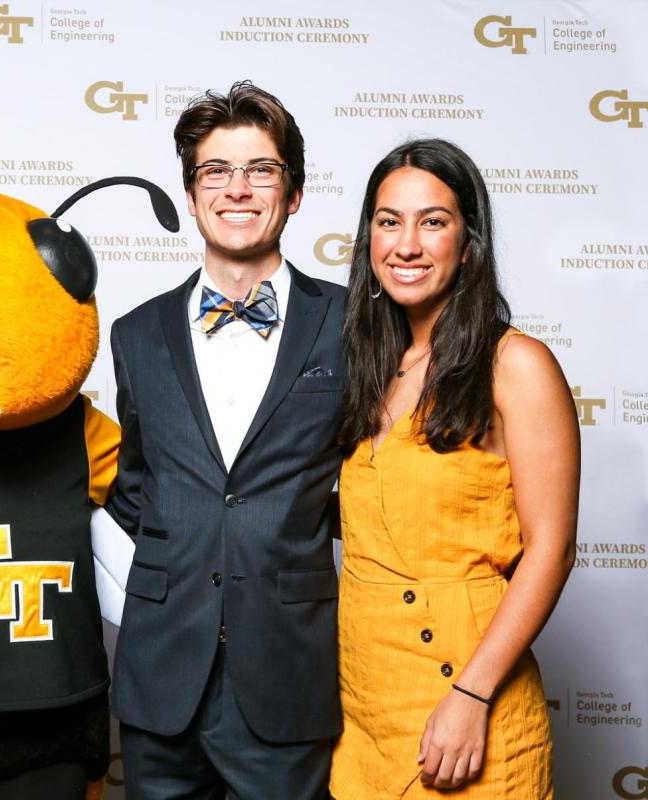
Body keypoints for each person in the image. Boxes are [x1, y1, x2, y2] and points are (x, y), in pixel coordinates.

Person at [105, 80, 346, 799]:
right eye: (216, 171)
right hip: (161, 675)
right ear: (190, 193)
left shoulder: (352, 323)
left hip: (287, 670)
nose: (237, 189)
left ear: (293, 194)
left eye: (261, 170)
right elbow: (139, 488)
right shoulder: (135, 332)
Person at [331, 138, 578, 798]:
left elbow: (551, 549)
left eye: (432, 221)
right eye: (389, 221)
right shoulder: (368, 369)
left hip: (468, 700)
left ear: (468, 242)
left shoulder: (515, 365)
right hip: (367, 716)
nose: (407, 244)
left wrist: (471, 694)